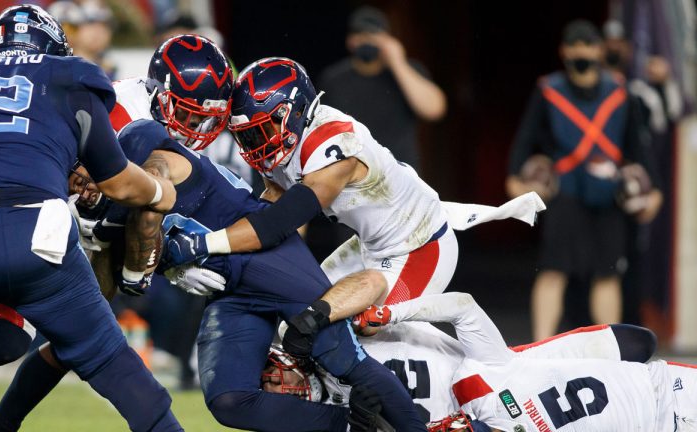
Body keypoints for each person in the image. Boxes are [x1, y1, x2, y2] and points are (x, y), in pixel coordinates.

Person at [0, 34, 426, 432]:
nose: (200, 132)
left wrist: (149, 264)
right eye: (192, 118)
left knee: (343, 359)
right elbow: (119, 210)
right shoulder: (107, 128)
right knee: (228, 399)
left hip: (257, 254)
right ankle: (350, 426)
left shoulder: (141, 145)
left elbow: (154, 201)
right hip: (218, 267)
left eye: (78, 177)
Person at [0, 5, 182, 432]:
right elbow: (118, 182)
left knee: (7, 337)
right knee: (117, 366)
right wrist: (161, 191)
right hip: (32, 239)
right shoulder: (70, 74)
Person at [164, 57, 545, 331]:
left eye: (262, 130)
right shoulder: (280, 147)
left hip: (419, 247)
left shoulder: (334, 144)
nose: (255, 144)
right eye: (247, 134)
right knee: (294, 320)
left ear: (294, 112)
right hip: (369, 246)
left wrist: (206, 244)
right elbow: (277, 222)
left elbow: (280, 221)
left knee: (362, 331)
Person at [261, 293, 657, 427]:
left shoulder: (327, 342)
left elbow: (459, 307)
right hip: (472, 425)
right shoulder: (319, 421)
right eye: (272, 390)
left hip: (506, 376)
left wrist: (389, 313)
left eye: (273, 377)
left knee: (638, 345)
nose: (281, 386)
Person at [505, 20, 663, 341]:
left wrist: (654, 193)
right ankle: (538, 344)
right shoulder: (548, 90)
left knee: (607, 276)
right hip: (566, 195)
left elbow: (637, 148)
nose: (581, 52)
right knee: (553, 271)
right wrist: (514, 181)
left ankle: (610, 349)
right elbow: (524, 141)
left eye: (588, 46)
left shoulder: (619, 92)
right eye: (575, 46)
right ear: (564, 51)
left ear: (599, 49)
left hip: (609, 197)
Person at [422, 292, 696, 431]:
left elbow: (463, 307)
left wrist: (389, 314)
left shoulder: (486, 391)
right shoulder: (488, 391)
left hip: (664, 389)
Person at [318, 5, 446, 172]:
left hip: (402, 172)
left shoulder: (407, 71)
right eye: (360, 35)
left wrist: (397, 62)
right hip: (352, 174)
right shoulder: (333, 78)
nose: (367, 41)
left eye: (373, 35)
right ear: (350, 40)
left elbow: (434, 109)